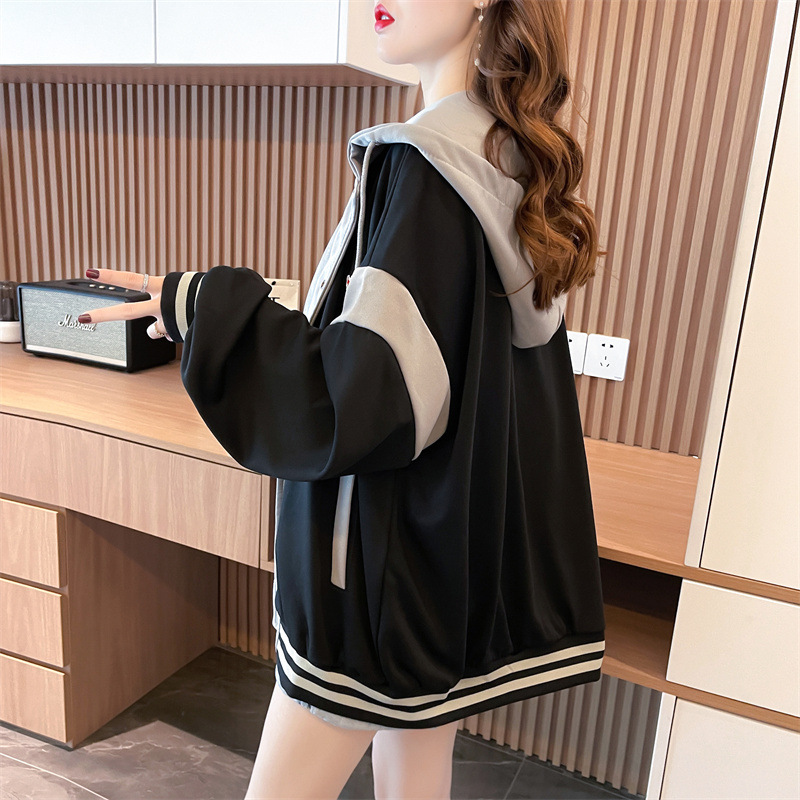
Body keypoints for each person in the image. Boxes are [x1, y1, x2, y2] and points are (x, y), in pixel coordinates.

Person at [77, 1, 607, 797]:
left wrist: (207, 308)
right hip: (442, 555)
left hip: (371, 572)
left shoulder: (424, 165)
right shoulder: (505, 160)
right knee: (415, 763)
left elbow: (365, 392)